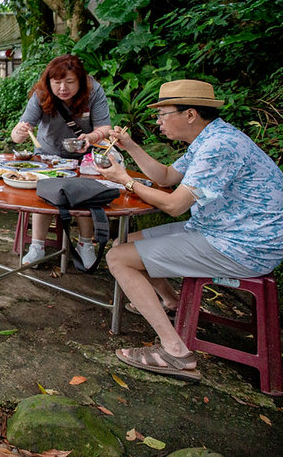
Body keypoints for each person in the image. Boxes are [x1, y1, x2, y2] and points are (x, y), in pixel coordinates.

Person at [98, 79, 283, 382]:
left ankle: (175, 353)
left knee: (119, 258)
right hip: (221, 229)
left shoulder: (219, 146)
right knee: (130, 241)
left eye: (163, 113)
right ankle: (171, 302)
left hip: (245, 244)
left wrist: (125, 181)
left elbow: (174, 205)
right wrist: (130, 146)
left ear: (190, 114)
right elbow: (167, 176)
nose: (158, 121)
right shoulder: (209, 139)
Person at [10, 54, 113, 268]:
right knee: (44, 195)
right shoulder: (41, 93)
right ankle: (37, 247)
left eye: (69, 82)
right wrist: (20, 132)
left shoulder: (93, 91)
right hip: (49, 154)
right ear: (49, 82)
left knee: (85, 195)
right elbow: (17, 135)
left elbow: (105, 128)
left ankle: (86, 245)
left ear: (81, 81)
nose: (62, 88)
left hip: (83, 156)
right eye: (56, 83)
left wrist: (91, 137)